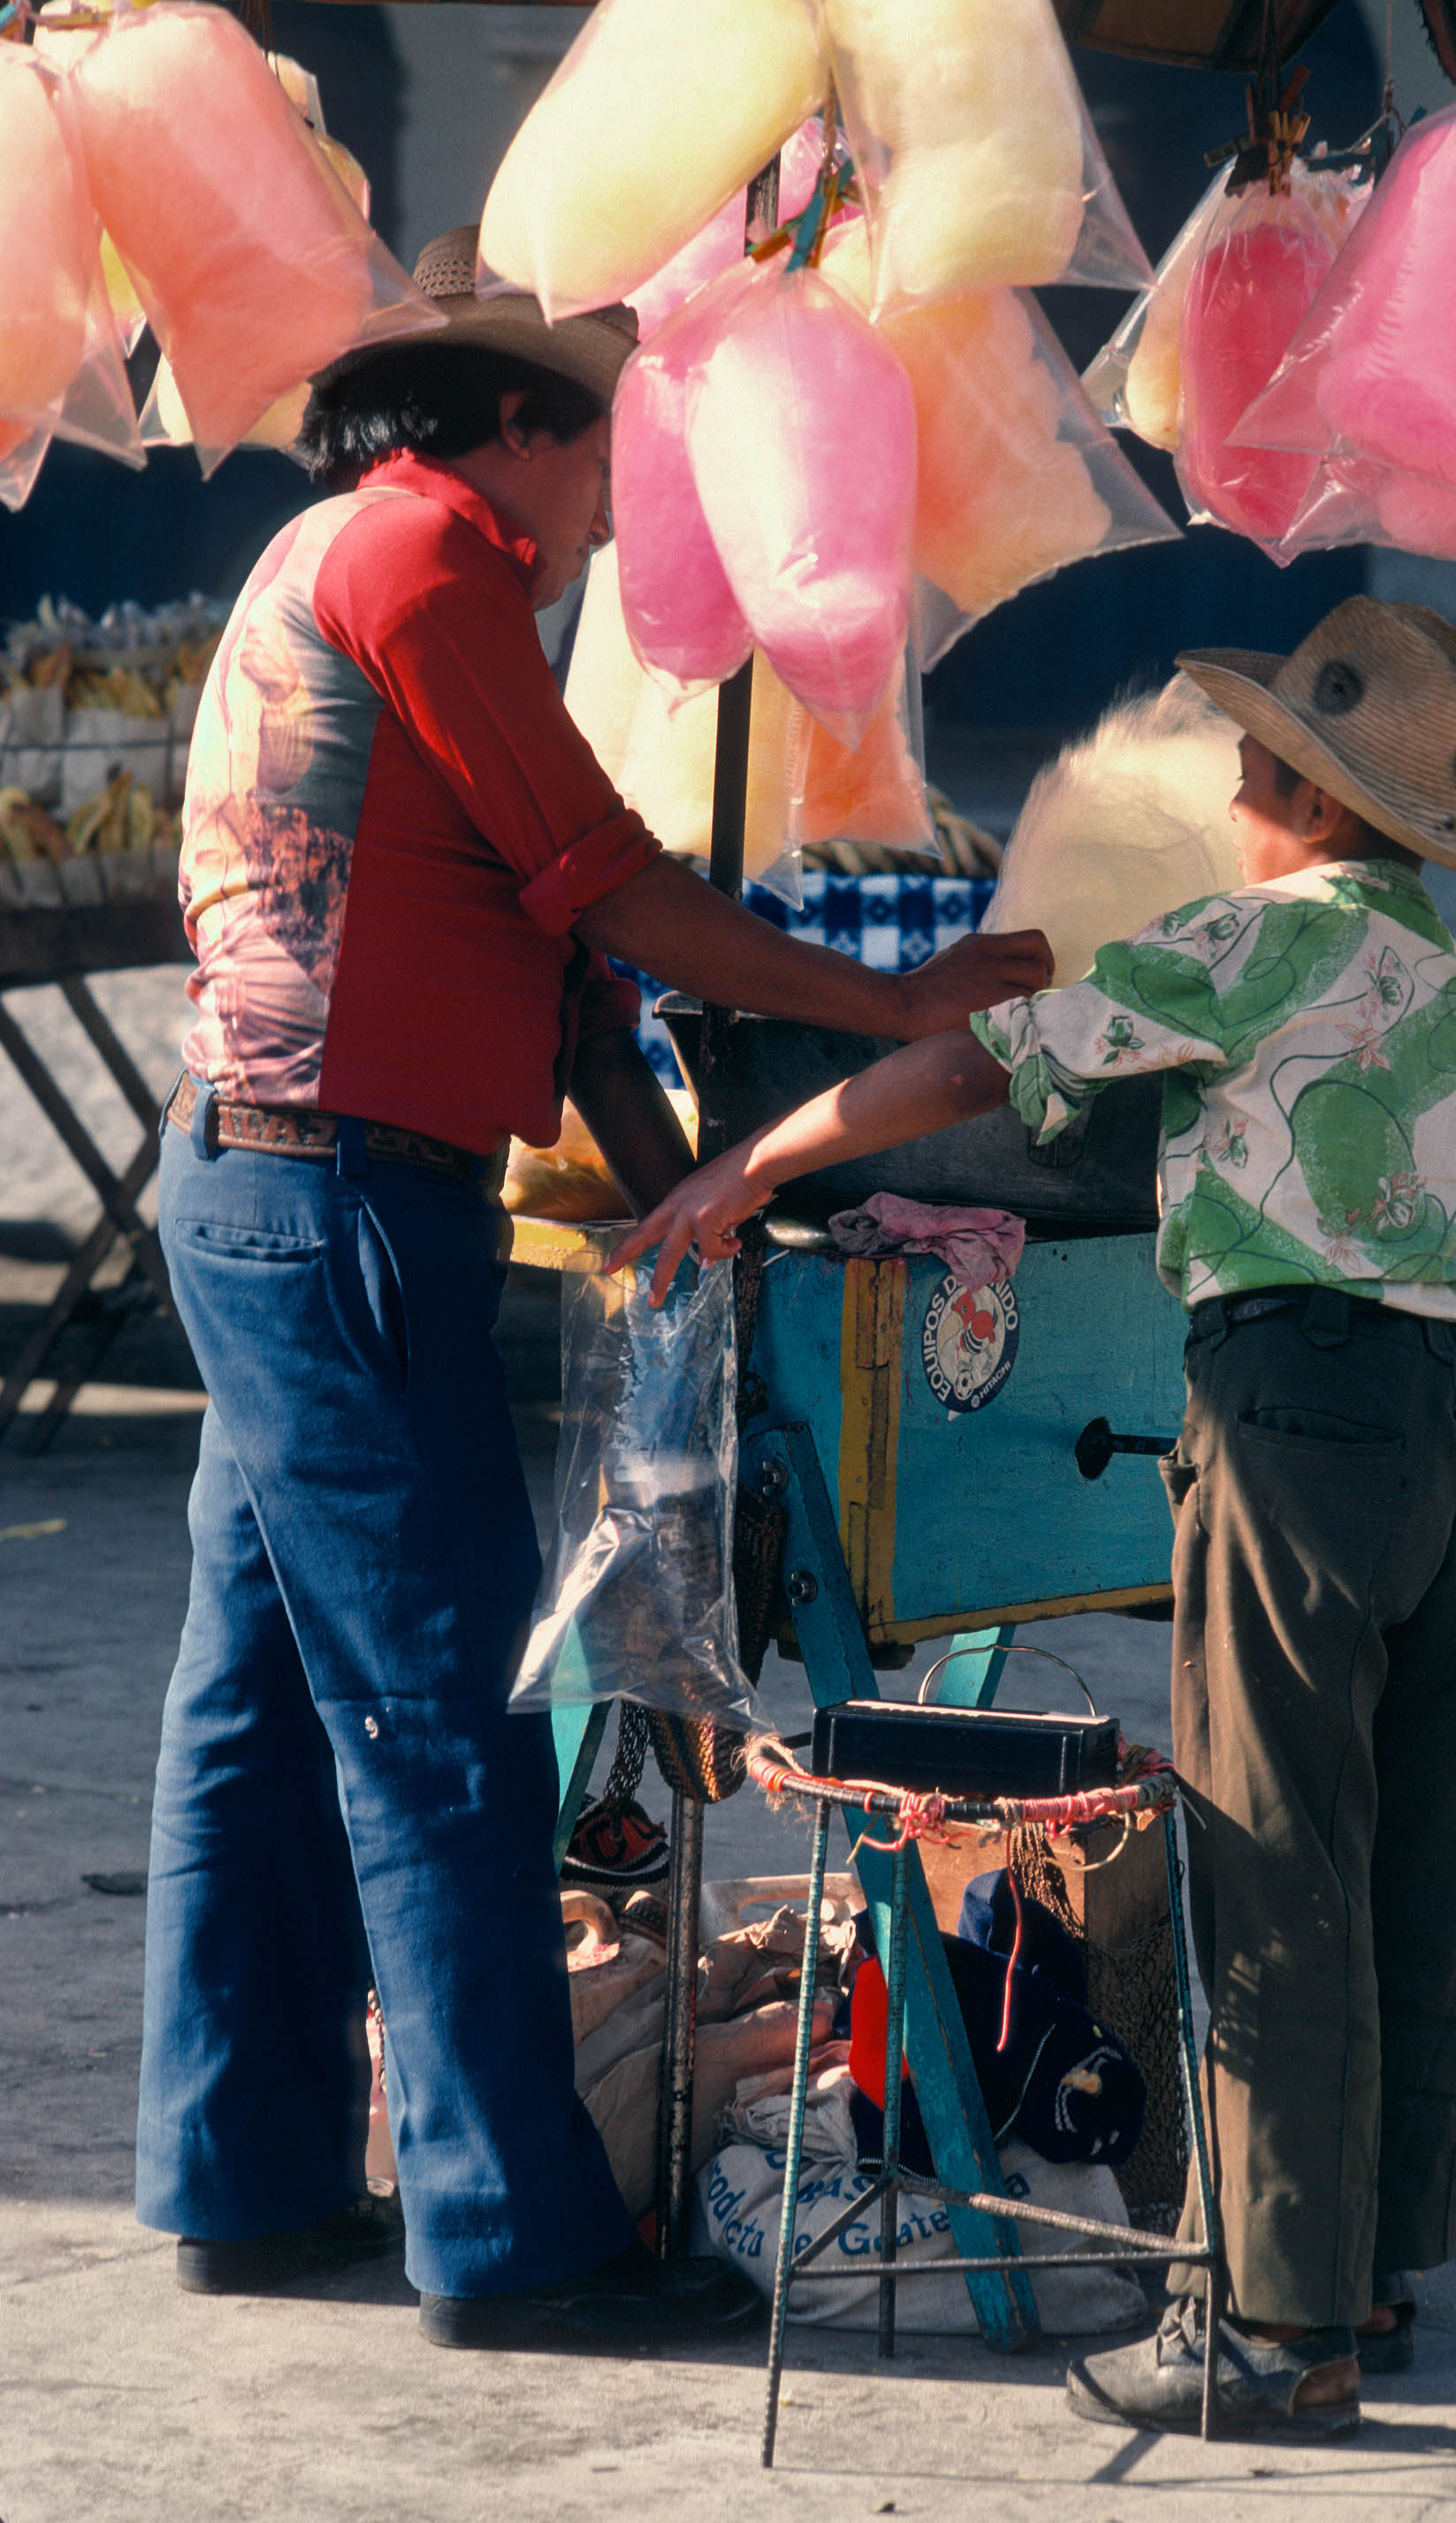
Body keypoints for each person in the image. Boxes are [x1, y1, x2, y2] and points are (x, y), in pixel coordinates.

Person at [141, 225, 1051, 2352]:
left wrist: (693, 1194)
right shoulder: (427, 568)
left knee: (261, 1705)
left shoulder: (348, 558)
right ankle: (508, 2233)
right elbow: (613, 891)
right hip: (337, 1203)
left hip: (272, 1189)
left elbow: (548, 970)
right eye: (608, 430)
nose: (620, 476)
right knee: (443, 1716)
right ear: (525, 430)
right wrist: (883, 998)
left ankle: (247, 2182)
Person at [612, 597, 1456, 2432]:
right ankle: (1360, 2259)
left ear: (1298, 793)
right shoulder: (1450, 986)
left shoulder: (1246, 944)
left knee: (1273, 1869)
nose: (1230, 768)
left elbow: (981, 1067)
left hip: (1304, 1428)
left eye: (1261, 755)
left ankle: (1272, 2338)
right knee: (1402, 1866)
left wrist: (757, 1159)